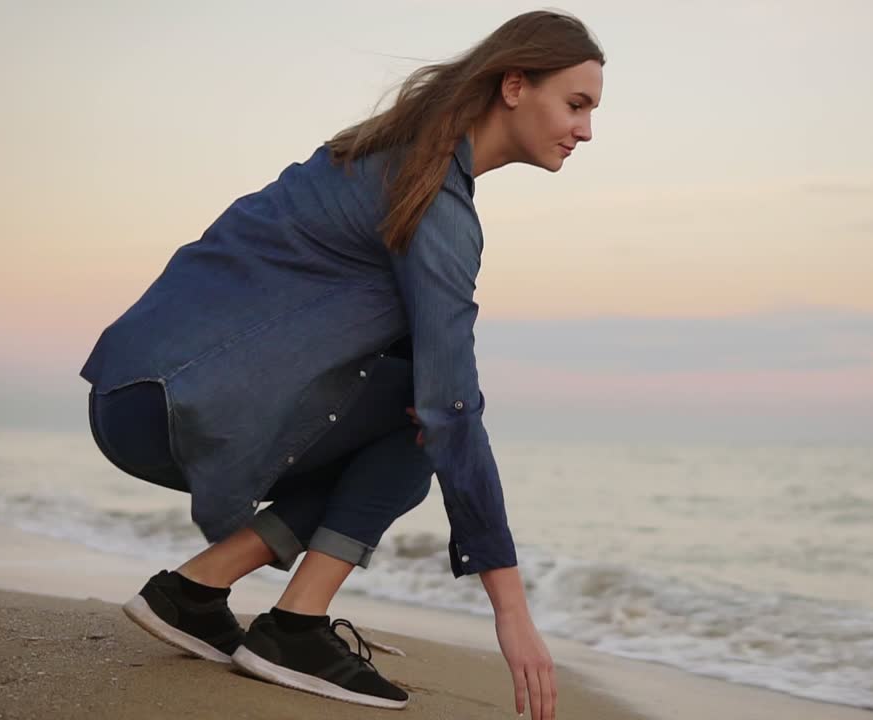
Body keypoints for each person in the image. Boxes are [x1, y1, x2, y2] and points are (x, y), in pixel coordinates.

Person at [79, 9, 603, 717]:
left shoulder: (385, 154)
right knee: (425, 421)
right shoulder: (431, 198)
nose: (586, 130)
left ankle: (195, 593)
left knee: (416, 402)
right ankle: (294, 627)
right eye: (576, 104)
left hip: (133, 392)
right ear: (514, 86)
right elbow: (448, 409)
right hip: (178, 403)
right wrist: (511, 609)